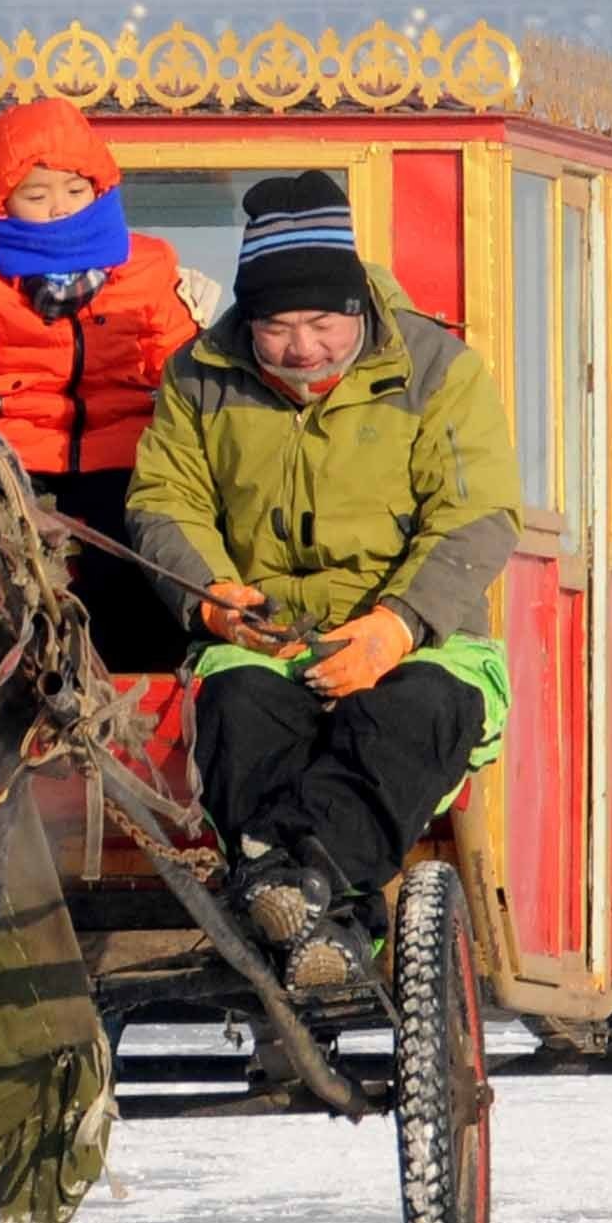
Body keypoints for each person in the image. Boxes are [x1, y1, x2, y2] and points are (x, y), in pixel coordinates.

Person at [123, 172, 515, 993]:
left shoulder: (441, 369)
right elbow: (165, 501)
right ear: (248, 319)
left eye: (323, 322)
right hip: (263, 641)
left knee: (407, 713)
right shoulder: (196, 376)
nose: (304, 348)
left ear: (359, 311)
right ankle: (329, 920)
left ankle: (284, 889)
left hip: (424, 641)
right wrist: (208, 593)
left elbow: (475, 515)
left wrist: (395, 625)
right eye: (277, 326)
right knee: (234, 710)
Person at [0, 94, 200, 671]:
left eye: (74, 191)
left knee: (141, 555)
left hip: (128, 456)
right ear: (3, 201)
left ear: (100, 189)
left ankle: (145, 700)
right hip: (15, 461)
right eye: (37, 195)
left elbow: (178, 364)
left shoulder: (147, 263)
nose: (57, 209)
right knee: (5, 576)